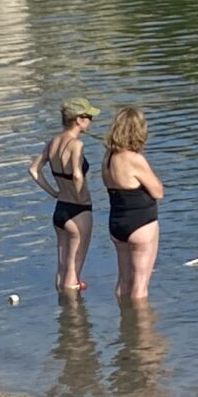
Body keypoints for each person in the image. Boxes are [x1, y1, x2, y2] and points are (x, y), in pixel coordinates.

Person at [26, 99, 99, 294]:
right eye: (89, 117)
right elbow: (77, 175)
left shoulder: (53, 142)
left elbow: (33, 170)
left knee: (61, 270)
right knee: (73, 274)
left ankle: (62, 308)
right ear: (78, 119)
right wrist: (82, 198)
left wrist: (53, 192)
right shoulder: (77, 145)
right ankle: (73, 310)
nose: (91, 121)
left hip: (60, 209)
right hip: (79, 211)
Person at [102, 106, 165, 302]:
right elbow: (158, 192)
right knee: (140, 288)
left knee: (123, 283)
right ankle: (140, 321)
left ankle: (123, 317)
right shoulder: (135, 159)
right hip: (140, 224)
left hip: (117, 222)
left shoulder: (108, 158)